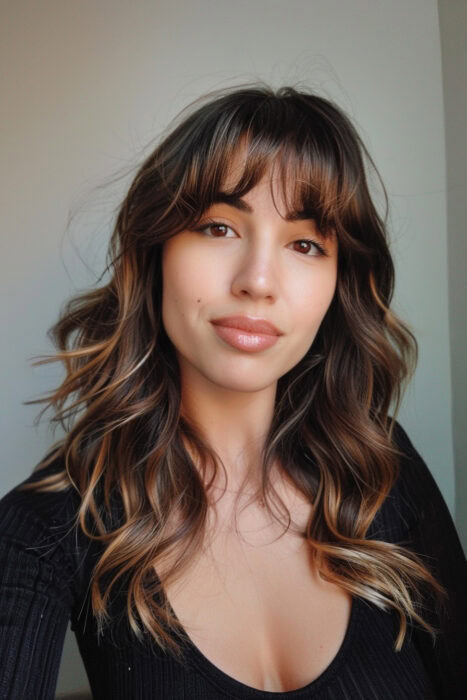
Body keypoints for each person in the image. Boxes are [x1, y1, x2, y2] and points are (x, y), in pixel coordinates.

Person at [0, 83, 466, 700]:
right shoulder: (46, 525)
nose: (258, 281)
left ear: (337, 284)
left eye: (305, 244)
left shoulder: (382, 466)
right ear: (157, 250)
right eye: (219, 227)